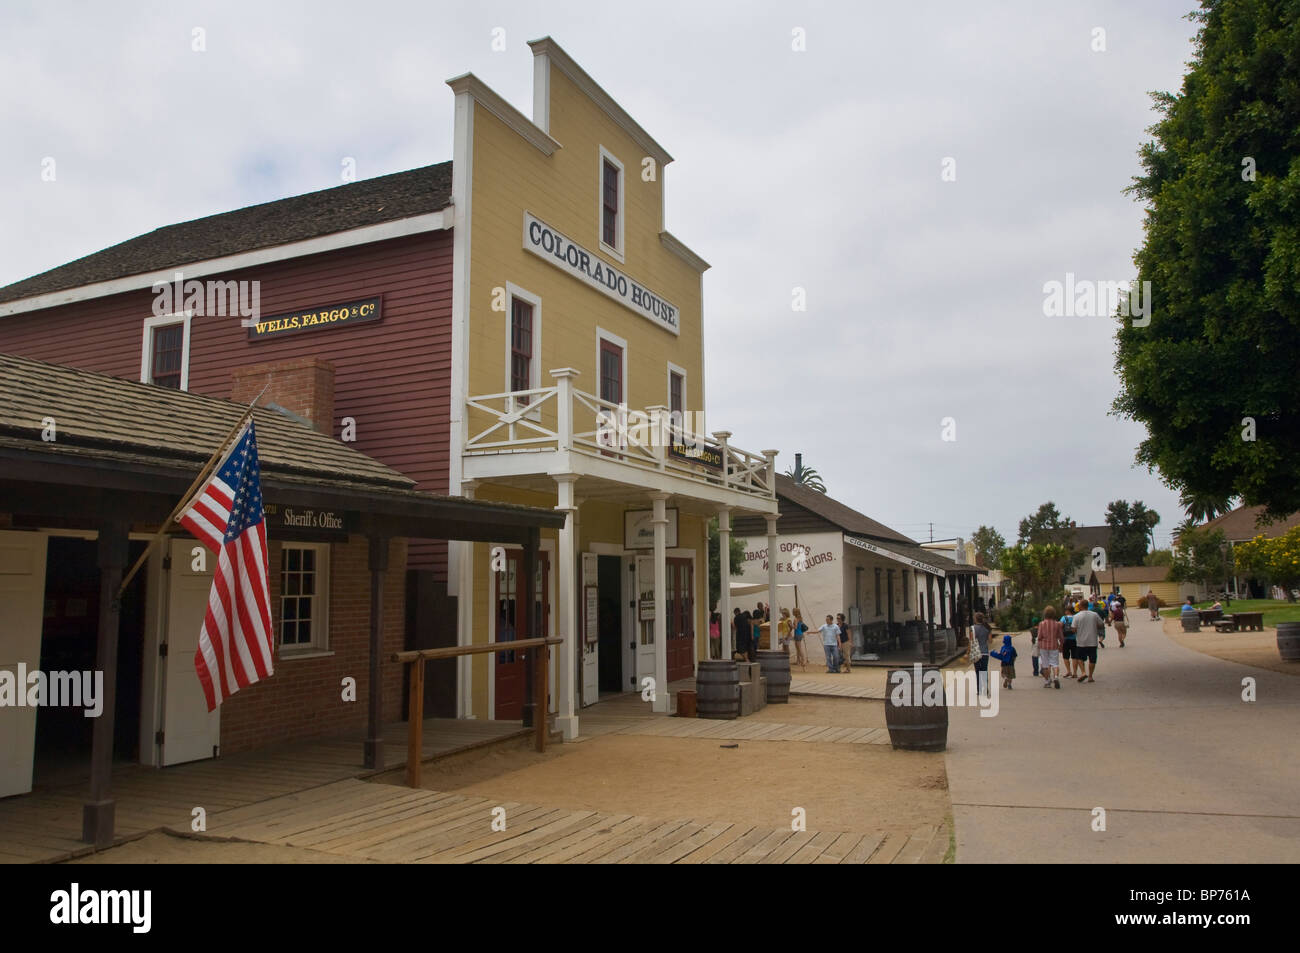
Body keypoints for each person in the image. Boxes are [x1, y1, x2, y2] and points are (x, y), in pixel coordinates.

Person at [1072, 598, 1103, 682]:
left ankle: (1083, 672)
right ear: (1088, 606)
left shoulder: (1076, 616)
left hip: (1081, 641)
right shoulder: (1094, 614)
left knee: (1080, 658)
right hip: (1092, 640)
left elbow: (1074, 629)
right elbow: (1101, 624)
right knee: (1092, 659)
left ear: (1081, 606)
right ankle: (1090, 676)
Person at [1036, 606, 1063, 688]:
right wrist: (1061, 645)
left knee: (1045, 664)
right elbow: (1060, 636)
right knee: (1055, 663)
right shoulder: (1057, 624)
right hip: (1054, 646)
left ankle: (1047, 681)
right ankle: (1056, 677)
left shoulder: (1042, 624)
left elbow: (1039, 636)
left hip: (1043, 647)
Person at [971, 612, 992, 697]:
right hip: (985, 653)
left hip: (976, 653)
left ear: (975, 619)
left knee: (977, 671)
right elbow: (990, 641)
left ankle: (979, 690)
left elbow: (972, 641)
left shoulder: (973, 628)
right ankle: (985, 688)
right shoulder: (987, 628)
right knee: (984, 670)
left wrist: (968, 652)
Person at [1061, 604, 1077, 679]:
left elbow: (1060, 626)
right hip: (1074, 639)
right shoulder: (1075, 617)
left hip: (1065, 639)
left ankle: (1068, 671)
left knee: (1066, 656)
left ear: (1067, 611)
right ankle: (1075, 672)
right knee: (1074, 656)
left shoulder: (1064, 618)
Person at [790, 607, 809, 672]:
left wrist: (790, 625)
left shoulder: (795, 619)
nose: (792, 612)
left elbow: (795, 627)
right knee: (798, 648)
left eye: (793, 611)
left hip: (797, 634)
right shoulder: (800, 618)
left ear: (795, 612)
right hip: (800, 633)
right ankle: (798, 660)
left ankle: (803, 661)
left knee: (799, 648)